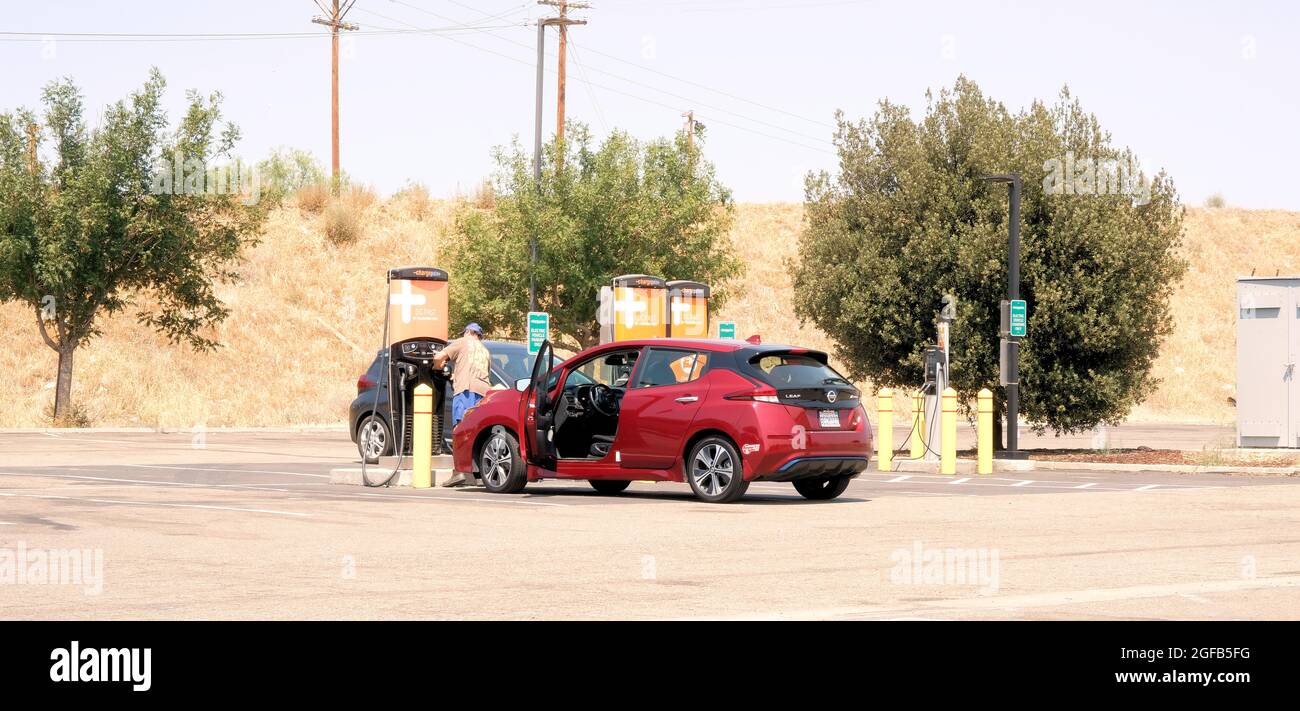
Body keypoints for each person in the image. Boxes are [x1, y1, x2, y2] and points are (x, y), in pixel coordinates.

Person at [433, 322, 491, 487]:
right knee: (475, 432)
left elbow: (438, 357)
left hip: (466, 390)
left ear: (468, 332)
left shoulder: (463, 341)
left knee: (459, 430)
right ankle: (472, 473)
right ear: (479, 335)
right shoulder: (485, 351)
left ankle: (458, 472)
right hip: (483, 394)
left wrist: (438, 367)